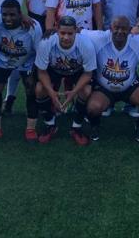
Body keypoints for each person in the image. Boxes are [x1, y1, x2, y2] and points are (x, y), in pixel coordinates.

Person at [82, 16, 139, 142]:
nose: (120, 31)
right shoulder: (98, 38)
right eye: (116, 28)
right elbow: (78, 32)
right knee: (93, 108)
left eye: (124, 29)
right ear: (110, 28)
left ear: (130, 30)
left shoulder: (138, 41)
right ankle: (95, 125)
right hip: (104, 88)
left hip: (130, 86)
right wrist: (52, 30)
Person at [0, 0, 42, 143]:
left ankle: (30, 129)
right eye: (5, 15)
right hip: (2, 60)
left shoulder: (33, 26)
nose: (8, 18)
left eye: (12, 15)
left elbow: (40, 50)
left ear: (20, 14)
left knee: (31, 90)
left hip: (26, 61)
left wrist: (38, 71)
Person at [33, 16, 97, 146]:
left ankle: (76, 127)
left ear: (76, 31)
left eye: (70, 33)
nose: (66, 37)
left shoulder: (86, 44)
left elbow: (88, 73)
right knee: (40, 89)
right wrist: (52, 94)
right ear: (57, 30)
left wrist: (73, 93)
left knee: (86, 90)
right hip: (54, 70)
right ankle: (50, 124)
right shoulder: (46, 42)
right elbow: (41, 71)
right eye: (62, 33)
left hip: (76, 71)